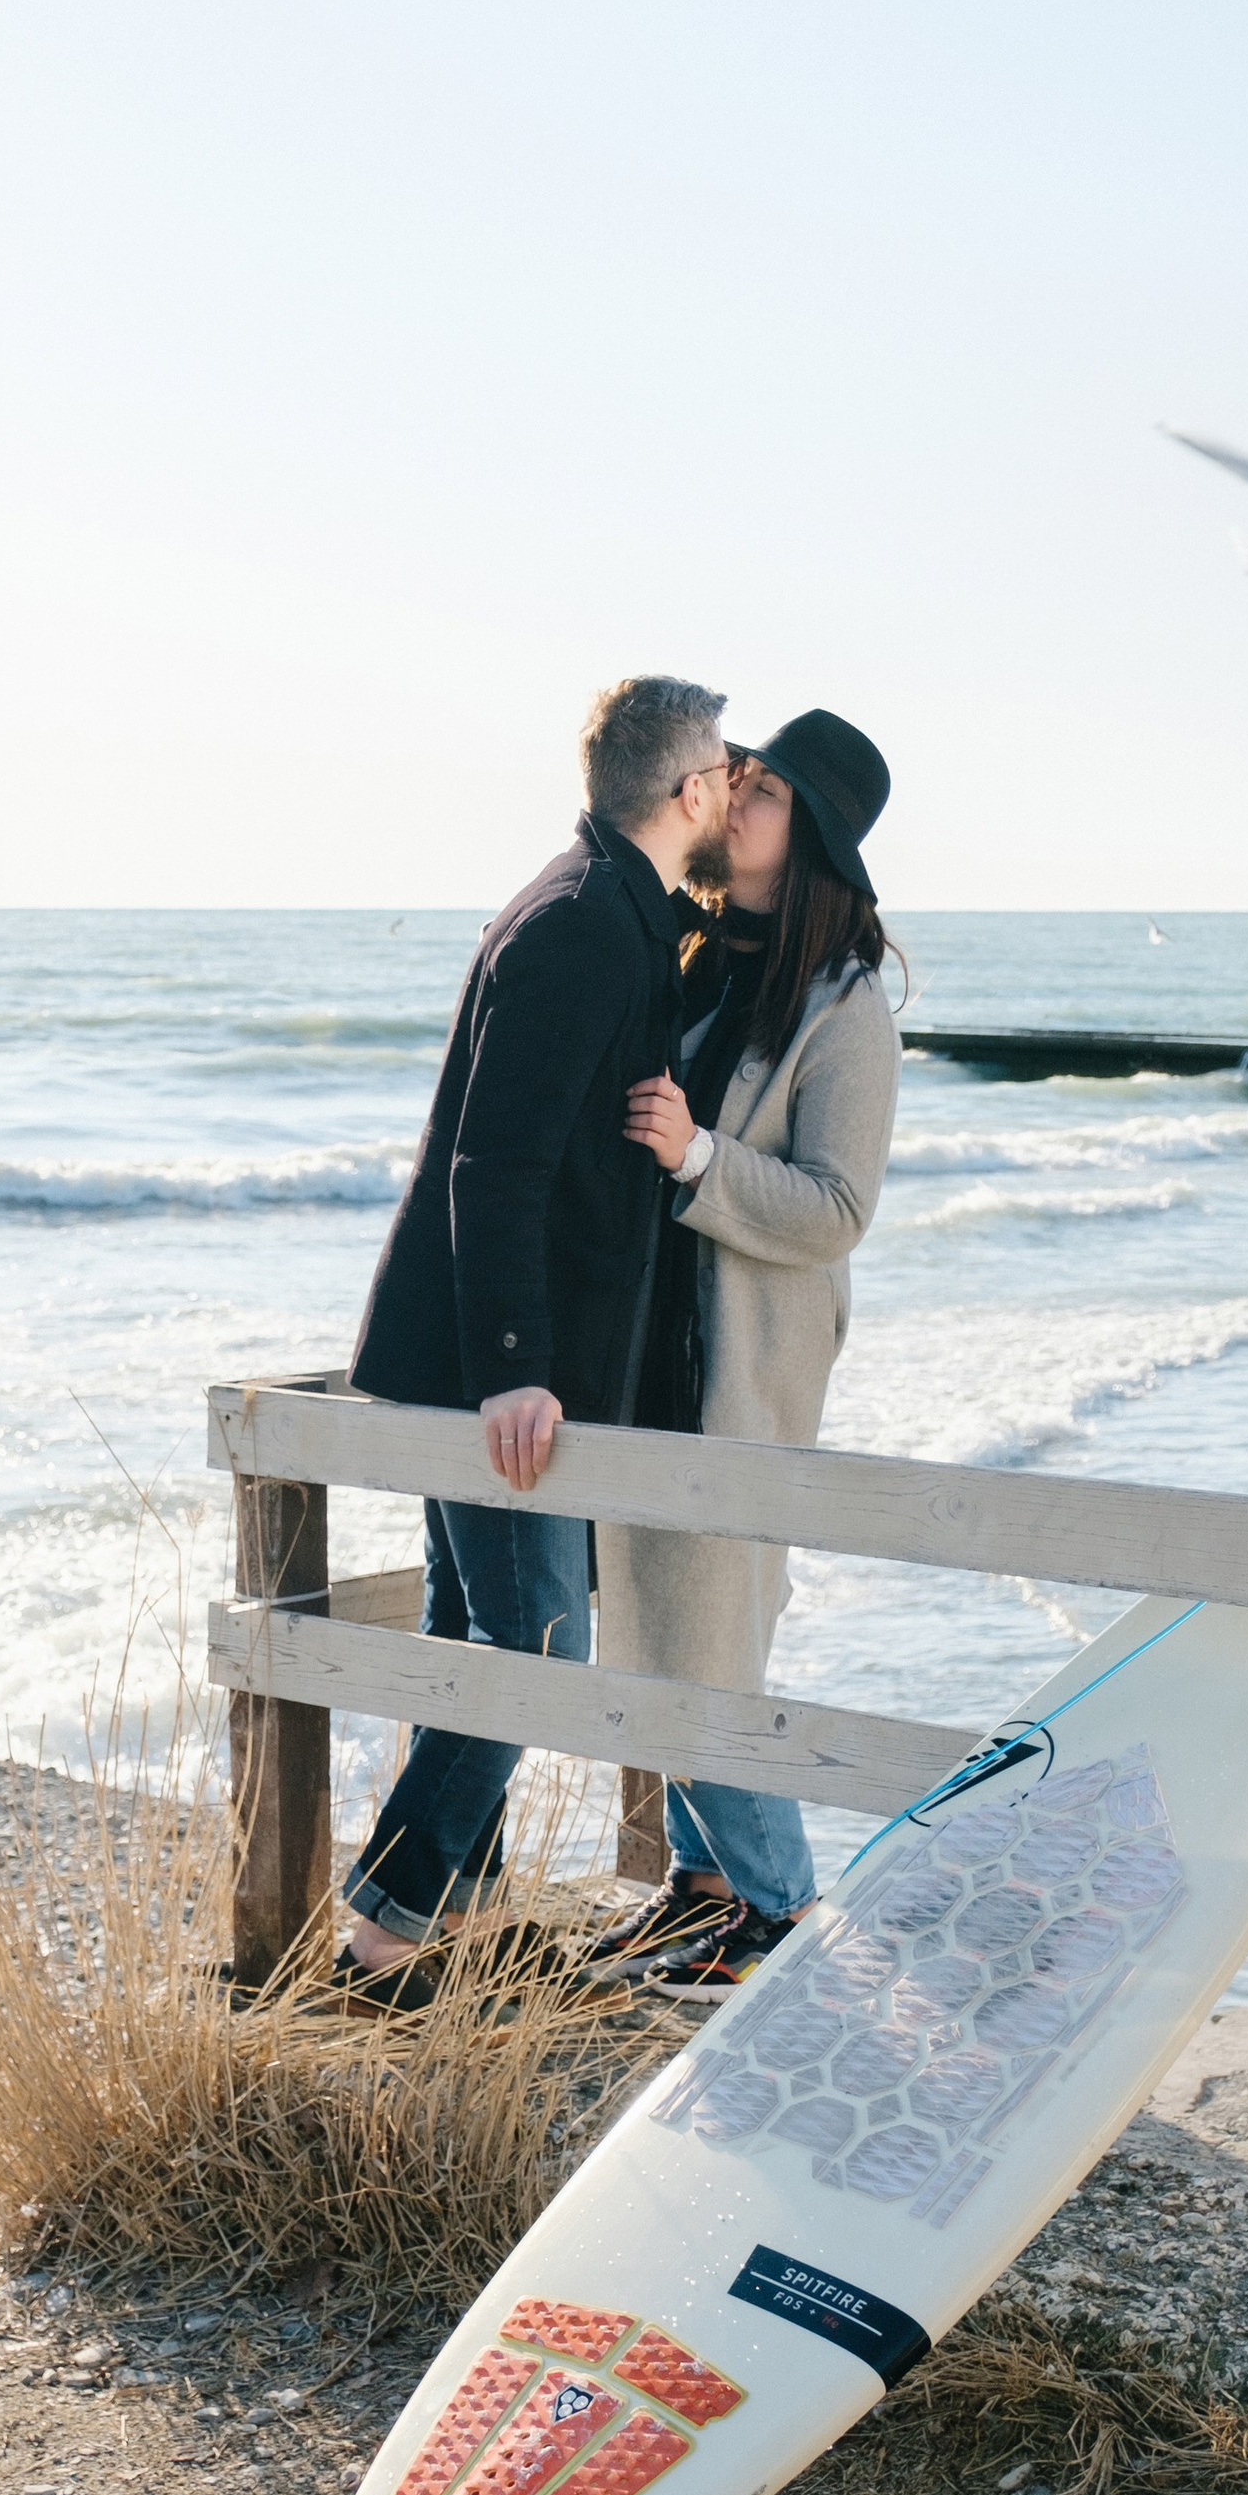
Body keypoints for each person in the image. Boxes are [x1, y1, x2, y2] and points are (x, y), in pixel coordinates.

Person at [335, 675, 736, 2001]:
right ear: (687, 792)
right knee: (538, 1646)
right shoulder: (578, 924)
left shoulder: (612, 907)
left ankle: (451, 1910)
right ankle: (391, 1921)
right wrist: (514, 1365)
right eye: (724, 769)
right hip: (493, 1370)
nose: (733, 787)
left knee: (476, 1628)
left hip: (488, 1358)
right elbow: (492, 1165)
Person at [587, 707, 902, 1990]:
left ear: (810, 839)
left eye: (761, 789)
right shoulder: (692, 954)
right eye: (737, 775)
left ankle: (784, 1918)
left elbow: (837, 1210)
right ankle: (700, 1889)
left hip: (743, 1361)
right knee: (653, 1625)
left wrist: (698, 1157)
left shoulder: (845, 1010)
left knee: (705, 1645)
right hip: (648, 1344)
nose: (732, 796)